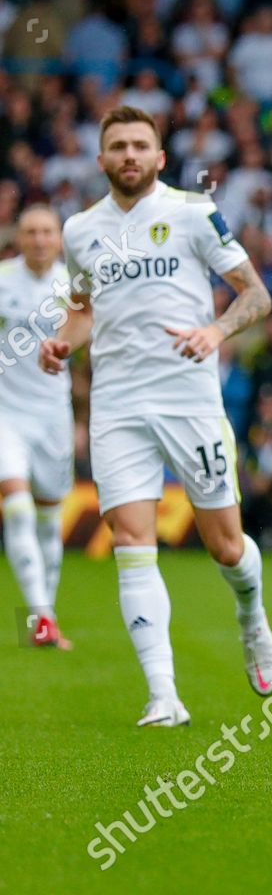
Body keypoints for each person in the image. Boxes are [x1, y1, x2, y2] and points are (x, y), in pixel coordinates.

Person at [39, 106, 272, 727]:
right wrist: (65, 340)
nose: (128, 155)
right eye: (117, 146)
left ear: (160, 157)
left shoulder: (194, 213)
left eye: (140, 145)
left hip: (189, 399)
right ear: (100, 160)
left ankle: (251, 615)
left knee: (225, 548)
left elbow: (256, 294)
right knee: (130, 542)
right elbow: (85, 308)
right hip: (117, 404)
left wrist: (215, 330)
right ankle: (163, 695)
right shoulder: (80, 230)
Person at [0, 205, 73, 648]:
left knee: (49, 520)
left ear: (59, 239)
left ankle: (46, 610)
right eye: (31, 232)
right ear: (19, 237)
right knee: (19, 508)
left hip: (53, 415)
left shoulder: (73, 286)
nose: (40, 239)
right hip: (6, 414)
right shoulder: (3, 278)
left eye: (47, 231)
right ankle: (42, 618)